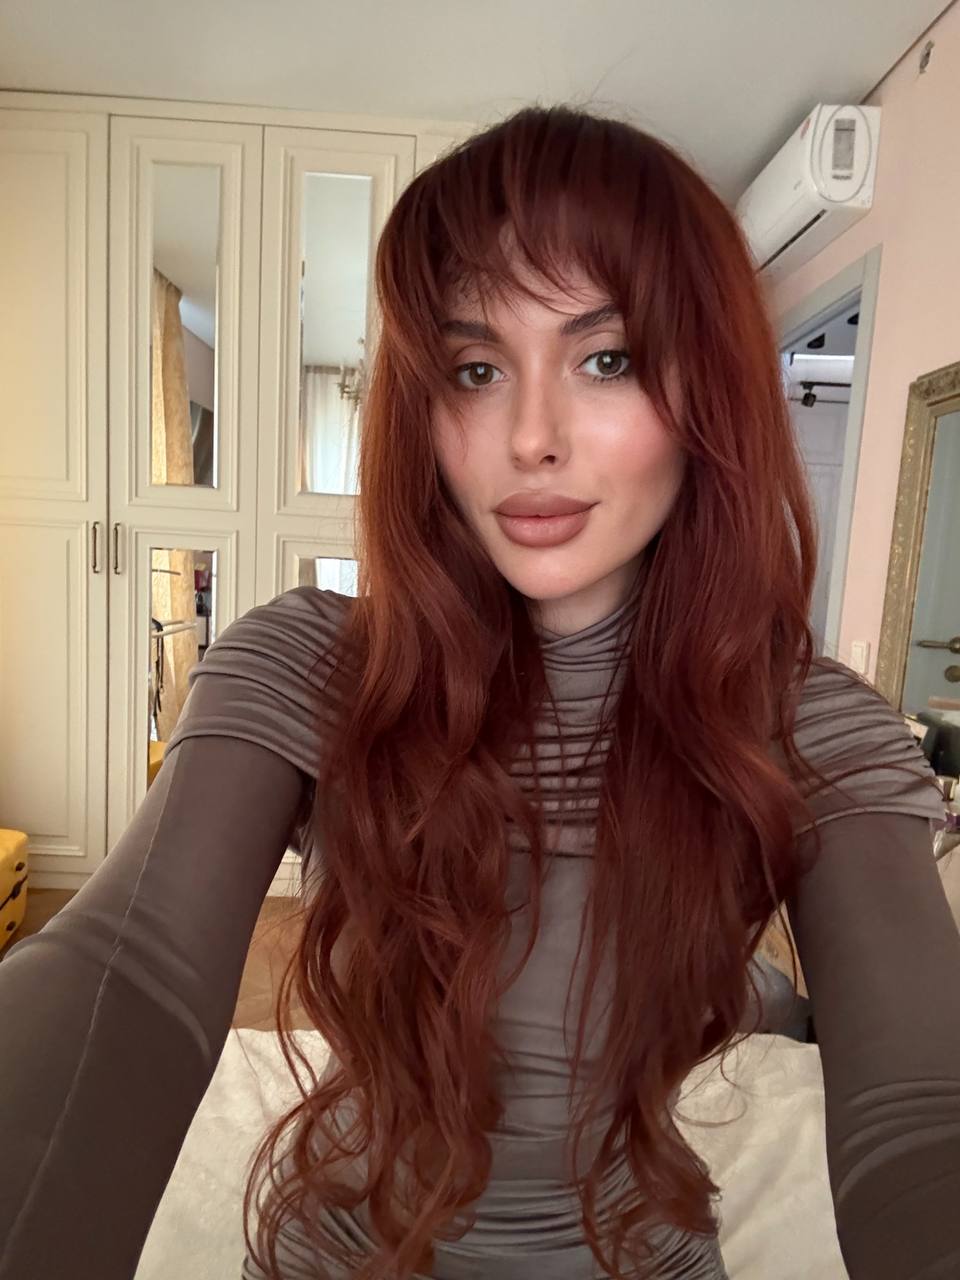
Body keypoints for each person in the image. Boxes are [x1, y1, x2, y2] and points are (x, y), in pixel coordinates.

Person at [1, 103, 959, 1280]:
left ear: (705, 391)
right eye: (475, 368)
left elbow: (925, 1113)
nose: (530, 437)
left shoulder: (811, 721)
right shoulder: (313, 664)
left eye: (607, 358)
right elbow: (124, 973)